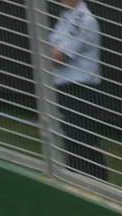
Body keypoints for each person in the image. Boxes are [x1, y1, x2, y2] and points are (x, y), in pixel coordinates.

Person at [50, 0, 107, 181]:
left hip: (80, 91)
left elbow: (59, 56)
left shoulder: (83, 20)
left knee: (83, 145)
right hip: (64, 89)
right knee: (73, 144)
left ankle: (99, 188)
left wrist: (42, 51)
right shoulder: (65, 16)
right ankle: (75, 184)